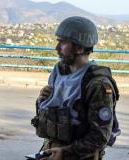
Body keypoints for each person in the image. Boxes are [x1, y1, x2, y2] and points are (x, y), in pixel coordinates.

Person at [31, 16, 120, 160]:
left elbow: (99, 136)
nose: (57, 48)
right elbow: (49, 114)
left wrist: (65, 153)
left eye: (63, 43)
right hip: (51, 150)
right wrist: (42, 100)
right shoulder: (59, 71)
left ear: (79, 47)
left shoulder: (97, 85)